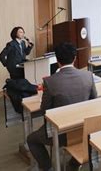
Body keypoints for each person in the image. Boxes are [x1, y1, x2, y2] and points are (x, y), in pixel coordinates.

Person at [27, 42, 97, 171]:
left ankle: (48, 168)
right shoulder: (88, 76)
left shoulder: (50, 81)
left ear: (57, 60)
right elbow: (94, 101)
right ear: (75, 58)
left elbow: (44, 111)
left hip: (61, 133)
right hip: (85, 128)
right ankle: (73, 164)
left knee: (31, 139)